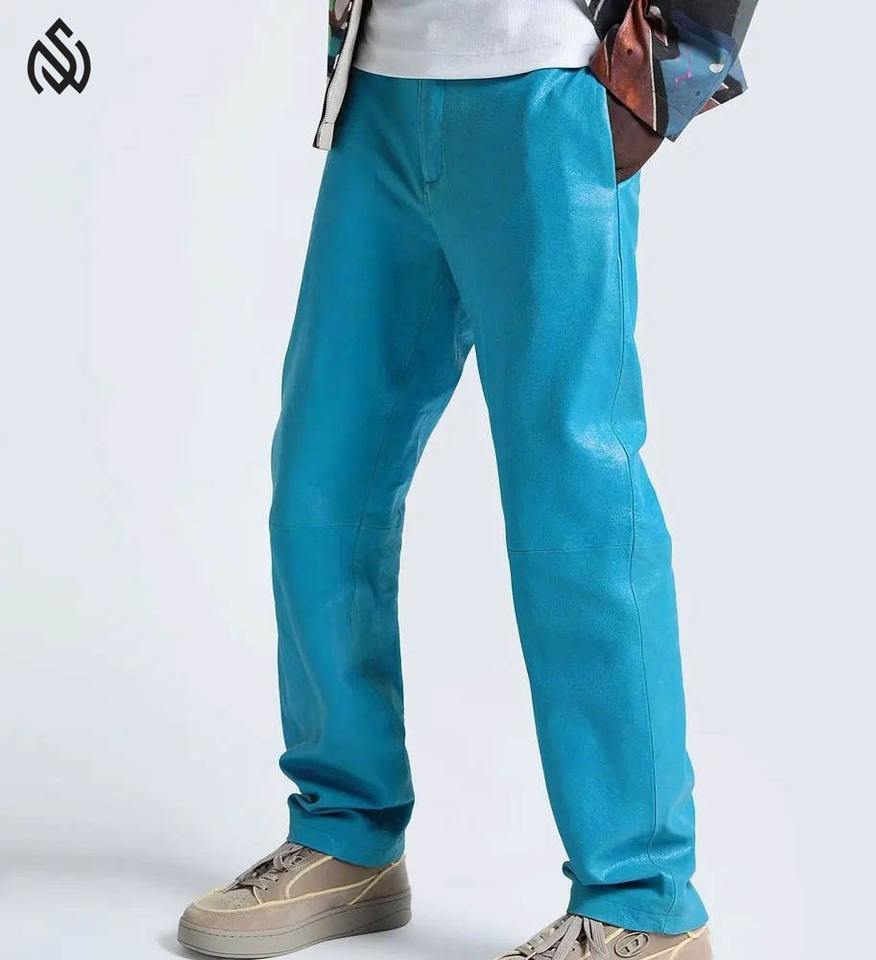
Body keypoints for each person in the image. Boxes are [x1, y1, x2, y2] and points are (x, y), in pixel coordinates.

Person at [177, 1, 757, 957]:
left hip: (551, 84)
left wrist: (663, 75)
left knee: (574, 499)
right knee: (322, 481)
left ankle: (640, 897)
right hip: (381, 90)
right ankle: (345, 830)